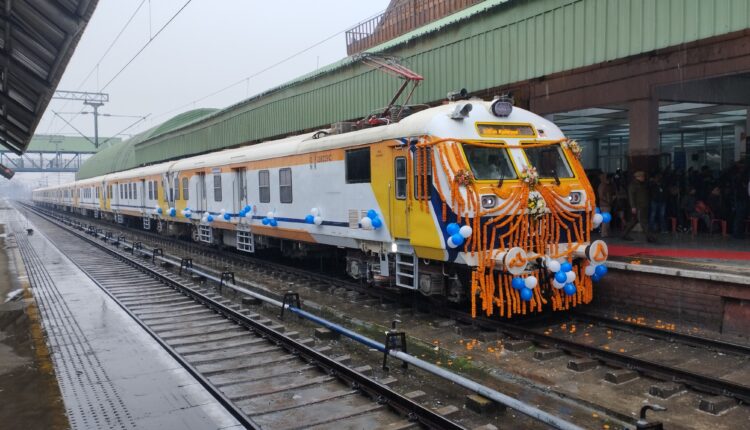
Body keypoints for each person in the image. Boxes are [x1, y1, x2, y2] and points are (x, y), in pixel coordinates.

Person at [622, 171, 656, 243]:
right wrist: (633, 206)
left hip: (643, 206)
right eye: (642, 176)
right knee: (643, 221)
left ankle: (624, 234)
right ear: (638, 177)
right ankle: (649, 237)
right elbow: (631, 197)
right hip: (639, 206)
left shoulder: (643, 184)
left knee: (634, 221)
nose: (643, 178)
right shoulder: (633, 185)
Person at [597, 172, 613, 238]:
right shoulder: (603, 186)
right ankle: (604, 233)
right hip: (605, 205)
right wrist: (608, 201)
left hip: (604, 204)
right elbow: (601, 196)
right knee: (605, 219)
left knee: (606, 219)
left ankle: (606, 232)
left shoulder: (603, 185)